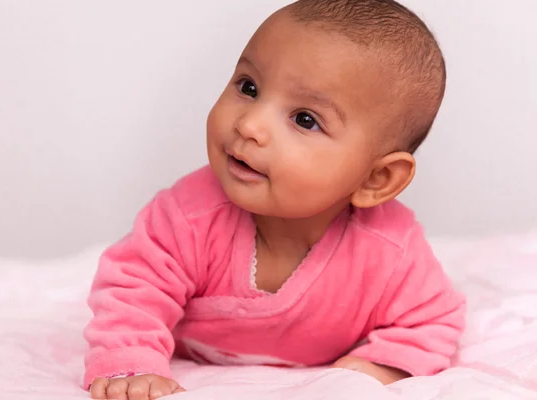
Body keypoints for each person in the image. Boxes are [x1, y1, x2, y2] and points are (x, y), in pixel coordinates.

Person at [84, 0, 466, 398]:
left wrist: (378, 368)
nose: (249, 125)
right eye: (248, 88)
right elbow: (132, 290)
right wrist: (132, 362)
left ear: (377, 178)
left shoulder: (390, 250)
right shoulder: (188, 215)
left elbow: (432, 320)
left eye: (304, 119)